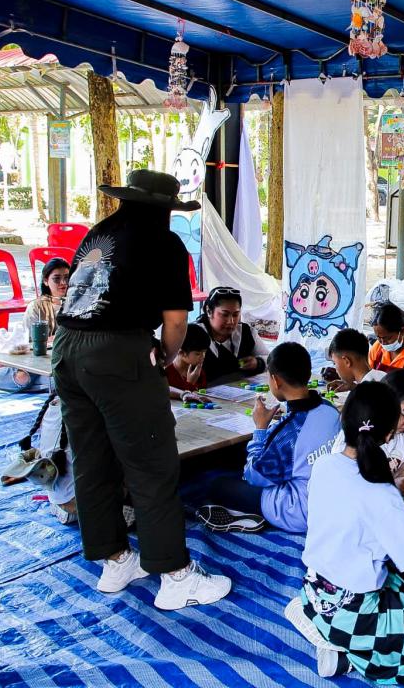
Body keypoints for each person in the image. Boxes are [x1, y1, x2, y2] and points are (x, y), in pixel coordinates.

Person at [53, 168, 231, 611]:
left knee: (91, 460)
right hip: (117, 353)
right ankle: (174, 576)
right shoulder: (163, 242)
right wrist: (164, 358)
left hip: (67, 350)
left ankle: (115, 560)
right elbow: (176, 323)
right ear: (164, 210)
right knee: (151, 465)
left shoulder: (99, 232)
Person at [288, 381, 404, 679]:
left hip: (315, 594)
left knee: (399, 584)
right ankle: (352, 656)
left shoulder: (324, 464)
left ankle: (325, 629)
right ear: (388, 434)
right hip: (356, 616)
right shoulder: (382, 494)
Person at [198, 342, 341, 535]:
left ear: (275, 380)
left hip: (300, 512)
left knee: (215, 485)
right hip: (331, 501)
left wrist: (260, 428)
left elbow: (254, 477)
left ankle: (246, 515)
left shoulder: (289, 433)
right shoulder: (329, 408)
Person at [0, 257, 72, 393]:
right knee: (22, 379)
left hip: (65, 360)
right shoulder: (37, 306)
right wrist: (55, 339)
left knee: (61, 382)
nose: (63, 283)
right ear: (45, 281)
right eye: (56, 279)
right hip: (38, 359)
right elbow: (29, 344)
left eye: (67, 278)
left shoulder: (78, 303)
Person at [193, 286, 271, 384]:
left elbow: (270, 359)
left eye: (235, 314)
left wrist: (258, 363)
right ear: (209, 311)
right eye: (225, 315)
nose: (231, 321)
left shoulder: (246, 332)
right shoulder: (194, 334)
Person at [164, 323, 209, 403]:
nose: (203, 356)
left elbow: (202, 394)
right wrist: (190, 383)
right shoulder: (166, 372)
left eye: (204, 352)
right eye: (198, 354)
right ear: (181, 352)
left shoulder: (196, 370)